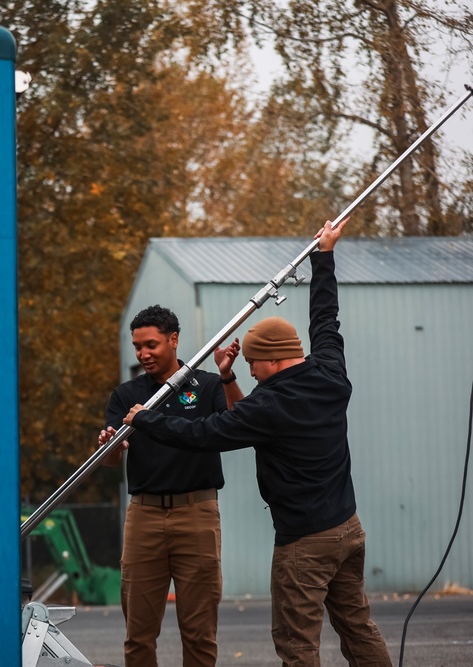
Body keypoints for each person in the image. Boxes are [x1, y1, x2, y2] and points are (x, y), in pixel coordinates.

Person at [122, 220, 392, 667]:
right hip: (348, 528)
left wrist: (146, 419)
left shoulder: (269, 405)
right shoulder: (329, 370)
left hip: (304, 542)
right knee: (357, 627)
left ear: (271, 359)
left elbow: (205, 433)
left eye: (250, 363)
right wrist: (323, 256)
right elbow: (325, 318)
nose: (248, 370)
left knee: (296, 643)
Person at [97, 305, 244, 667]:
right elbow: (113, 459)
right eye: (137, 347)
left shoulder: (207, 384)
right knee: (139, 634)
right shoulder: (127, 394)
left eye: (151, 345)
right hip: (144, 517)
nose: (143, 354)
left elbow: (240, 424)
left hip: (197, 514)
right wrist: (108, 446)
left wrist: (227, 376)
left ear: (173, 340)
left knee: (199, 632)